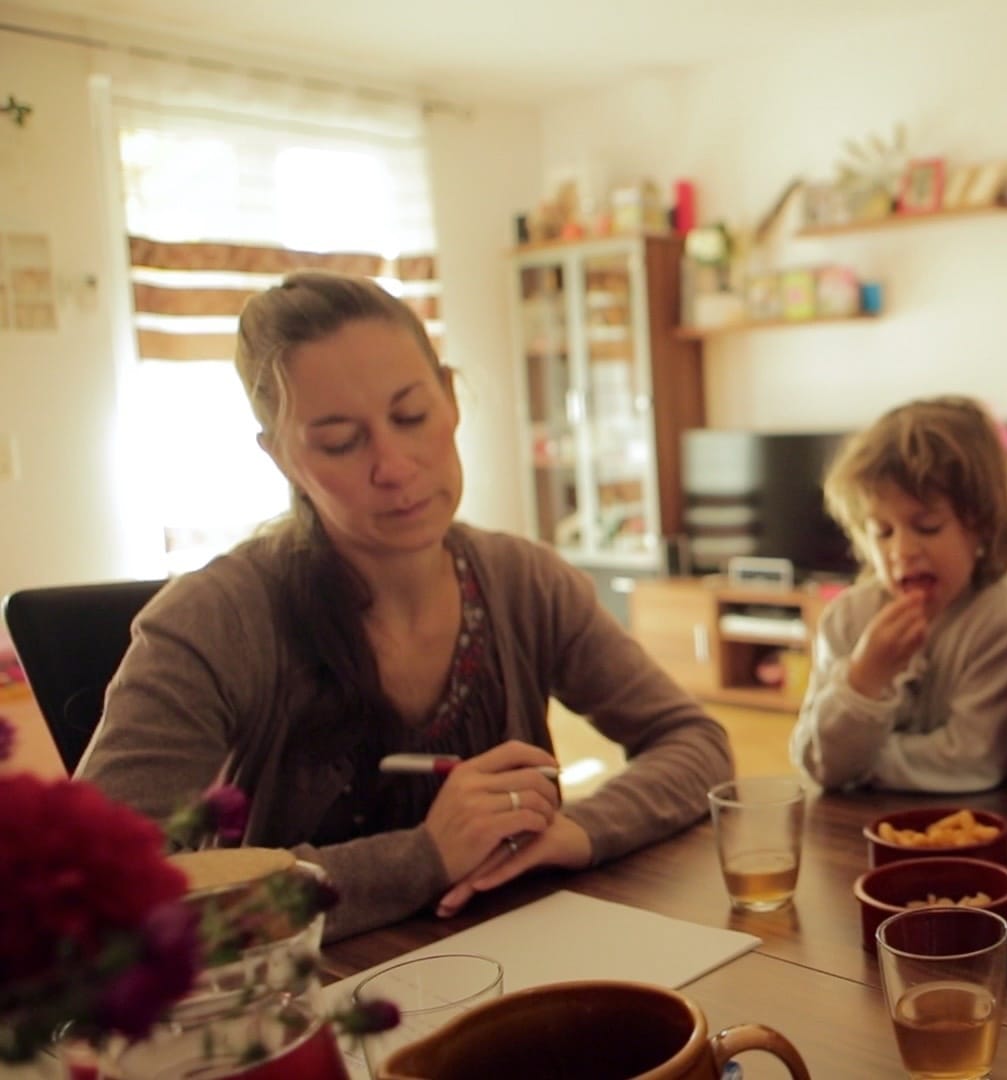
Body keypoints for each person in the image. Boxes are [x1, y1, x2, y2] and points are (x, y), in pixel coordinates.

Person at [80, 271, 733, 941]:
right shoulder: (216, 620)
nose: (393, 465)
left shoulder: (523, 581)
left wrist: (581, 829)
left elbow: (696, 743)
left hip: (520, 973)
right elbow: (103, 893)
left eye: (411, 416)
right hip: (304, 1011)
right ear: (279, 458)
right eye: (339, 442)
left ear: (450, 401)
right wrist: (423, 857)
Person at [790, 396, 1007, 792]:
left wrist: (858, 765)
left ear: (981, 527)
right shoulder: (848, 619)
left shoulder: (1005, 619)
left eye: (927, 527)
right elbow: (815, 761)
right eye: (882, 532)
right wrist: (863, 679)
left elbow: (971, 761)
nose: (902, 551)